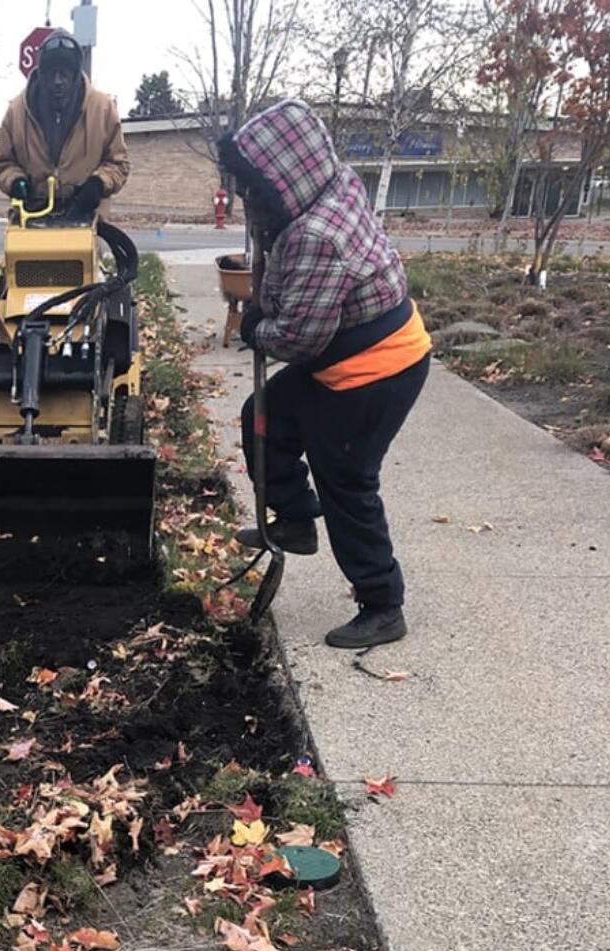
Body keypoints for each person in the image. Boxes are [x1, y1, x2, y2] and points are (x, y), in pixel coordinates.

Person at [218, 99, 432, 649]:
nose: (246, 196)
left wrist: (253, 330)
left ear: (285, 177)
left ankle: (383, 602)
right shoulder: (320, 193)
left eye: (253, 186)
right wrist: (265, 240)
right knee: (265, 417)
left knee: (347, 479)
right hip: (344, 354)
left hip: (376, 368)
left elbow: (297, 337)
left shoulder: (317, 233)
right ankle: (293, 515)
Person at [0, 30, 130, 220]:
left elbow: (118, 162)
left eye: (64, 74)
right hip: (31, 216)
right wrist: (15, 181)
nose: (58, 81)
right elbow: (5, 162)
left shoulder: (102, 109)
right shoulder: (17, 112)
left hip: (85, 216)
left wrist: (98, 184)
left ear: (75, 75)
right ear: (42, 74)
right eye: (51, 74)